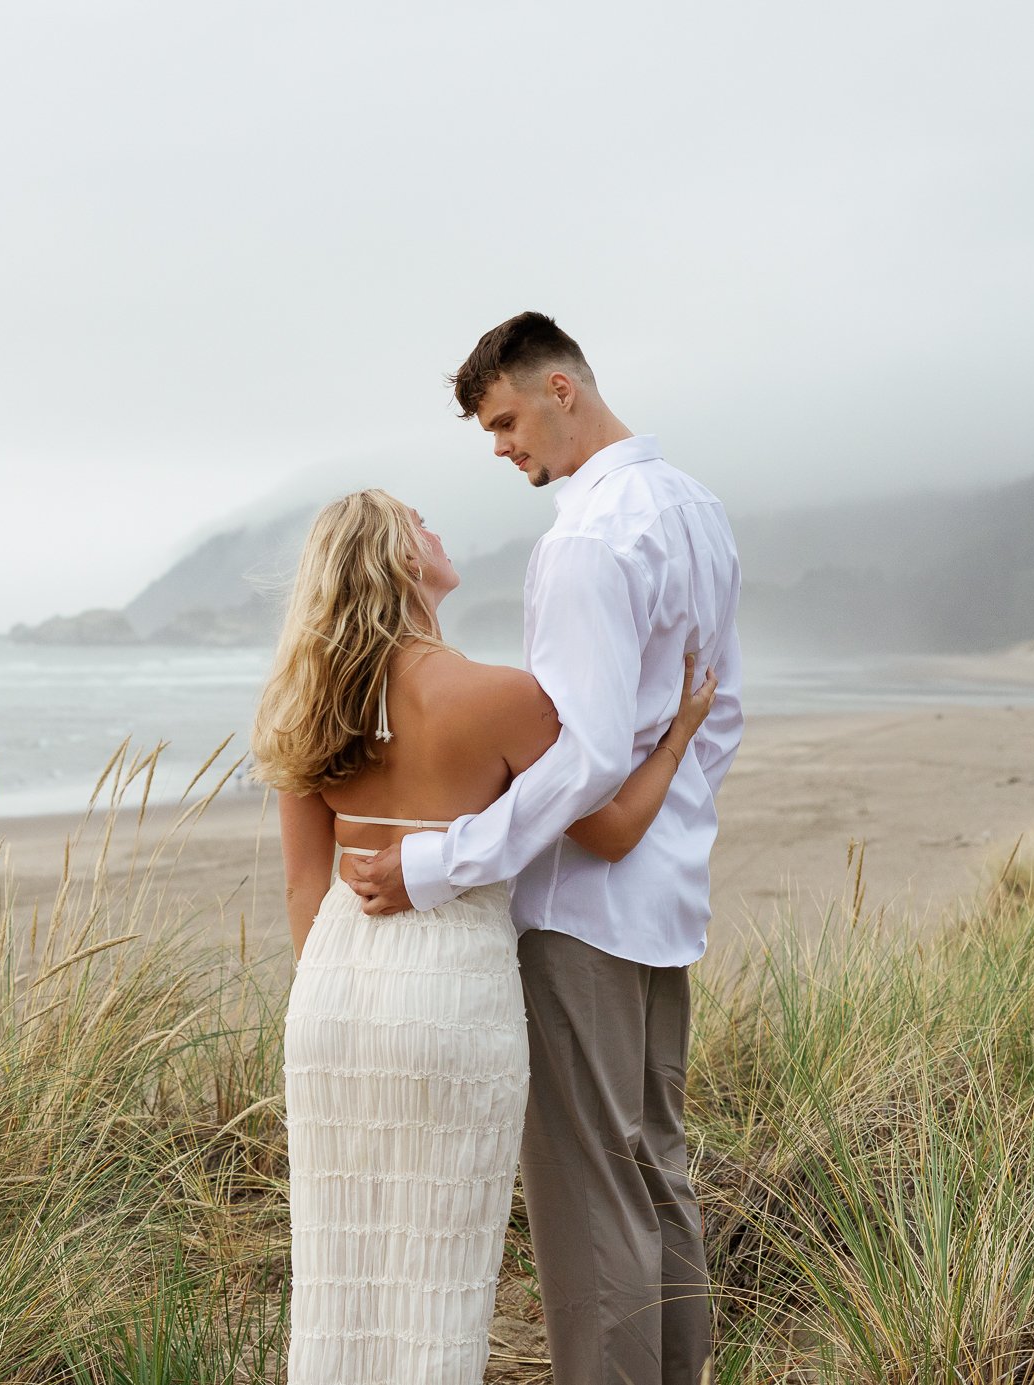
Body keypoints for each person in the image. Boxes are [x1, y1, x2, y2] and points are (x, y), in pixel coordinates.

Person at [348, 312, 745, 1385]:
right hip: (664, 901)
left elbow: (578, 758)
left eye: (508, 418)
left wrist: (439, 863)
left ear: (563, 387)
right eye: (488, 429)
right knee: (657, 1170)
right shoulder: (697, 510)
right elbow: (720, 714)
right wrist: (663, 831)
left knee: (589, 1201)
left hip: (580, 914)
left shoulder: (585, 539)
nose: (501, 446)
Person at [250, 488, 717, 1385]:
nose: (438, 528)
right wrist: (678, 735)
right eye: (419, 522)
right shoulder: (502, 697)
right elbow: (611, 830)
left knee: (341, 1277)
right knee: (440, 1278)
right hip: (449, 987)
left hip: (335, 995)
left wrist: (346, 996)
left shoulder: (307, 704)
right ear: (398, 561)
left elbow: (305, 886)